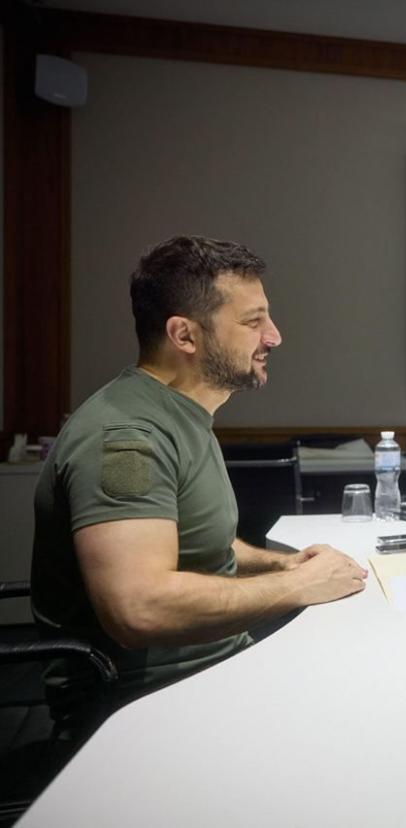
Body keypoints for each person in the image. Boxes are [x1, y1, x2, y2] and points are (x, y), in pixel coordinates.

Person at [31, 236, 368, 736]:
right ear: (184, 336)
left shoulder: (182, 415)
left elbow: (191, 538)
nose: (273, 337)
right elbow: (139, 606)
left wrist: (284, 563)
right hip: (146, 711)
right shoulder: (128, 440)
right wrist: (300, 587)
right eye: (253, 322)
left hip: (214, 672)